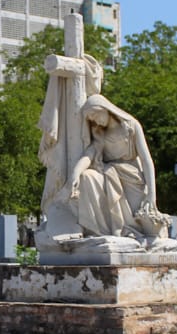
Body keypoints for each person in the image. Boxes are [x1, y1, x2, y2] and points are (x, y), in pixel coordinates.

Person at [67, 94, 171, 240]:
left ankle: (128, 229)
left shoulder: (131, 126)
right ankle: (101, 232)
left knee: (144, 222)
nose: (95, 121)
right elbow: (89, 155)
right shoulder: (99, 133)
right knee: (87, 176)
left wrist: (151, 194)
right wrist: (75, 174)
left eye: (95, 115)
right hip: (108, 174)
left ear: (104, 108)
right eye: (92, 119)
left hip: (132, 179)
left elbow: (146, 160)